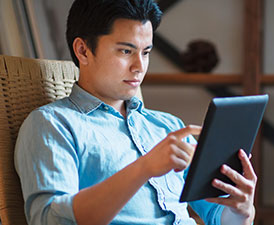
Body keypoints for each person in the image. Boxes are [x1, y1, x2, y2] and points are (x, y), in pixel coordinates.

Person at [14, 0, 257, 224]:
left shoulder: (168, 127)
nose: (139, 67)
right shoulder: (52, 125)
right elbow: (51, 220)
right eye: (125, 51)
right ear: (83, 51)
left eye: (146, 52)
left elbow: (218, 217)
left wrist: (241, 208)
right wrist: (144, 168)